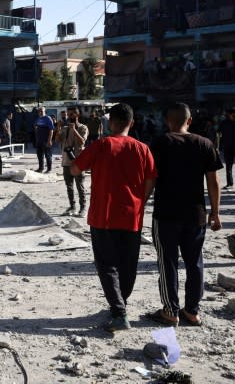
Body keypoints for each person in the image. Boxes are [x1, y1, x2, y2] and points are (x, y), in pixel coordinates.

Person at [71, 103, 157, 332]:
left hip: (103, 215)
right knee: (128, 264)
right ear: (132, 123)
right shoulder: (143, 148)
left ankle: (119, 312)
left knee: (107, 264)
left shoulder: (101, 145)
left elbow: (75, 170)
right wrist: (141, 201)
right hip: (132, 215)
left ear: (111, 122)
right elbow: (150, 180)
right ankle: (121, 304)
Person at [146, 103, 222, 327]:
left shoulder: (160, 143)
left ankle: (170, 311)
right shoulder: (204, 144)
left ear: (168, 122)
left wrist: (140, 204)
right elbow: (213, 182)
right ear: (189, 121)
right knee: (195, 263)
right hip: (196, 214)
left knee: (167, 262)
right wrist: (215, 213)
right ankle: (192, 311)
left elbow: (151, 178)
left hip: (166, 214)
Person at [57, 106, 88, 216]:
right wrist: (59, 128)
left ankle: (83, 208)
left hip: (78, 161)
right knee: (69, 186)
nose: (70, 116)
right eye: (68, 114)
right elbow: (57, 140)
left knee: (80, 186)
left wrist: (74, 130)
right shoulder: (65, 128)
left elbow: (82, 142)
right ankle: (72, 207)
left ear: (77, 115)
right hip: (66, 161)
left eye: (72, 114)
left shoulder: (83, 128)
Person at [218, 107, 235, 189]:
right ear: (229, 114)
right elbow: (220, 135)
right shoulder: (224, 123)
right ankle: (230, 183)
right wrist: (219, 147)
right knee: (228, 166)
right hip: (228, 148)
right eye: (233, 115)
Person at [34, 107, 54, 173]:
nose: (40, 112)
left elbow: (51, 130)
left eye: (41, 111)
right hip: (39, 140)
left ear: (45, 111)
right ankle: (41, 168)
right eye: (39, 111)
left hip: (46, 140)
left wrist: (49, 140)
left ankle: (49, 169)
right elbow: (36, 127)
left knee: (48, 155)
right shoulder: (38, 119)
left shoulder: (48, 118)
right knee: (39, 155)